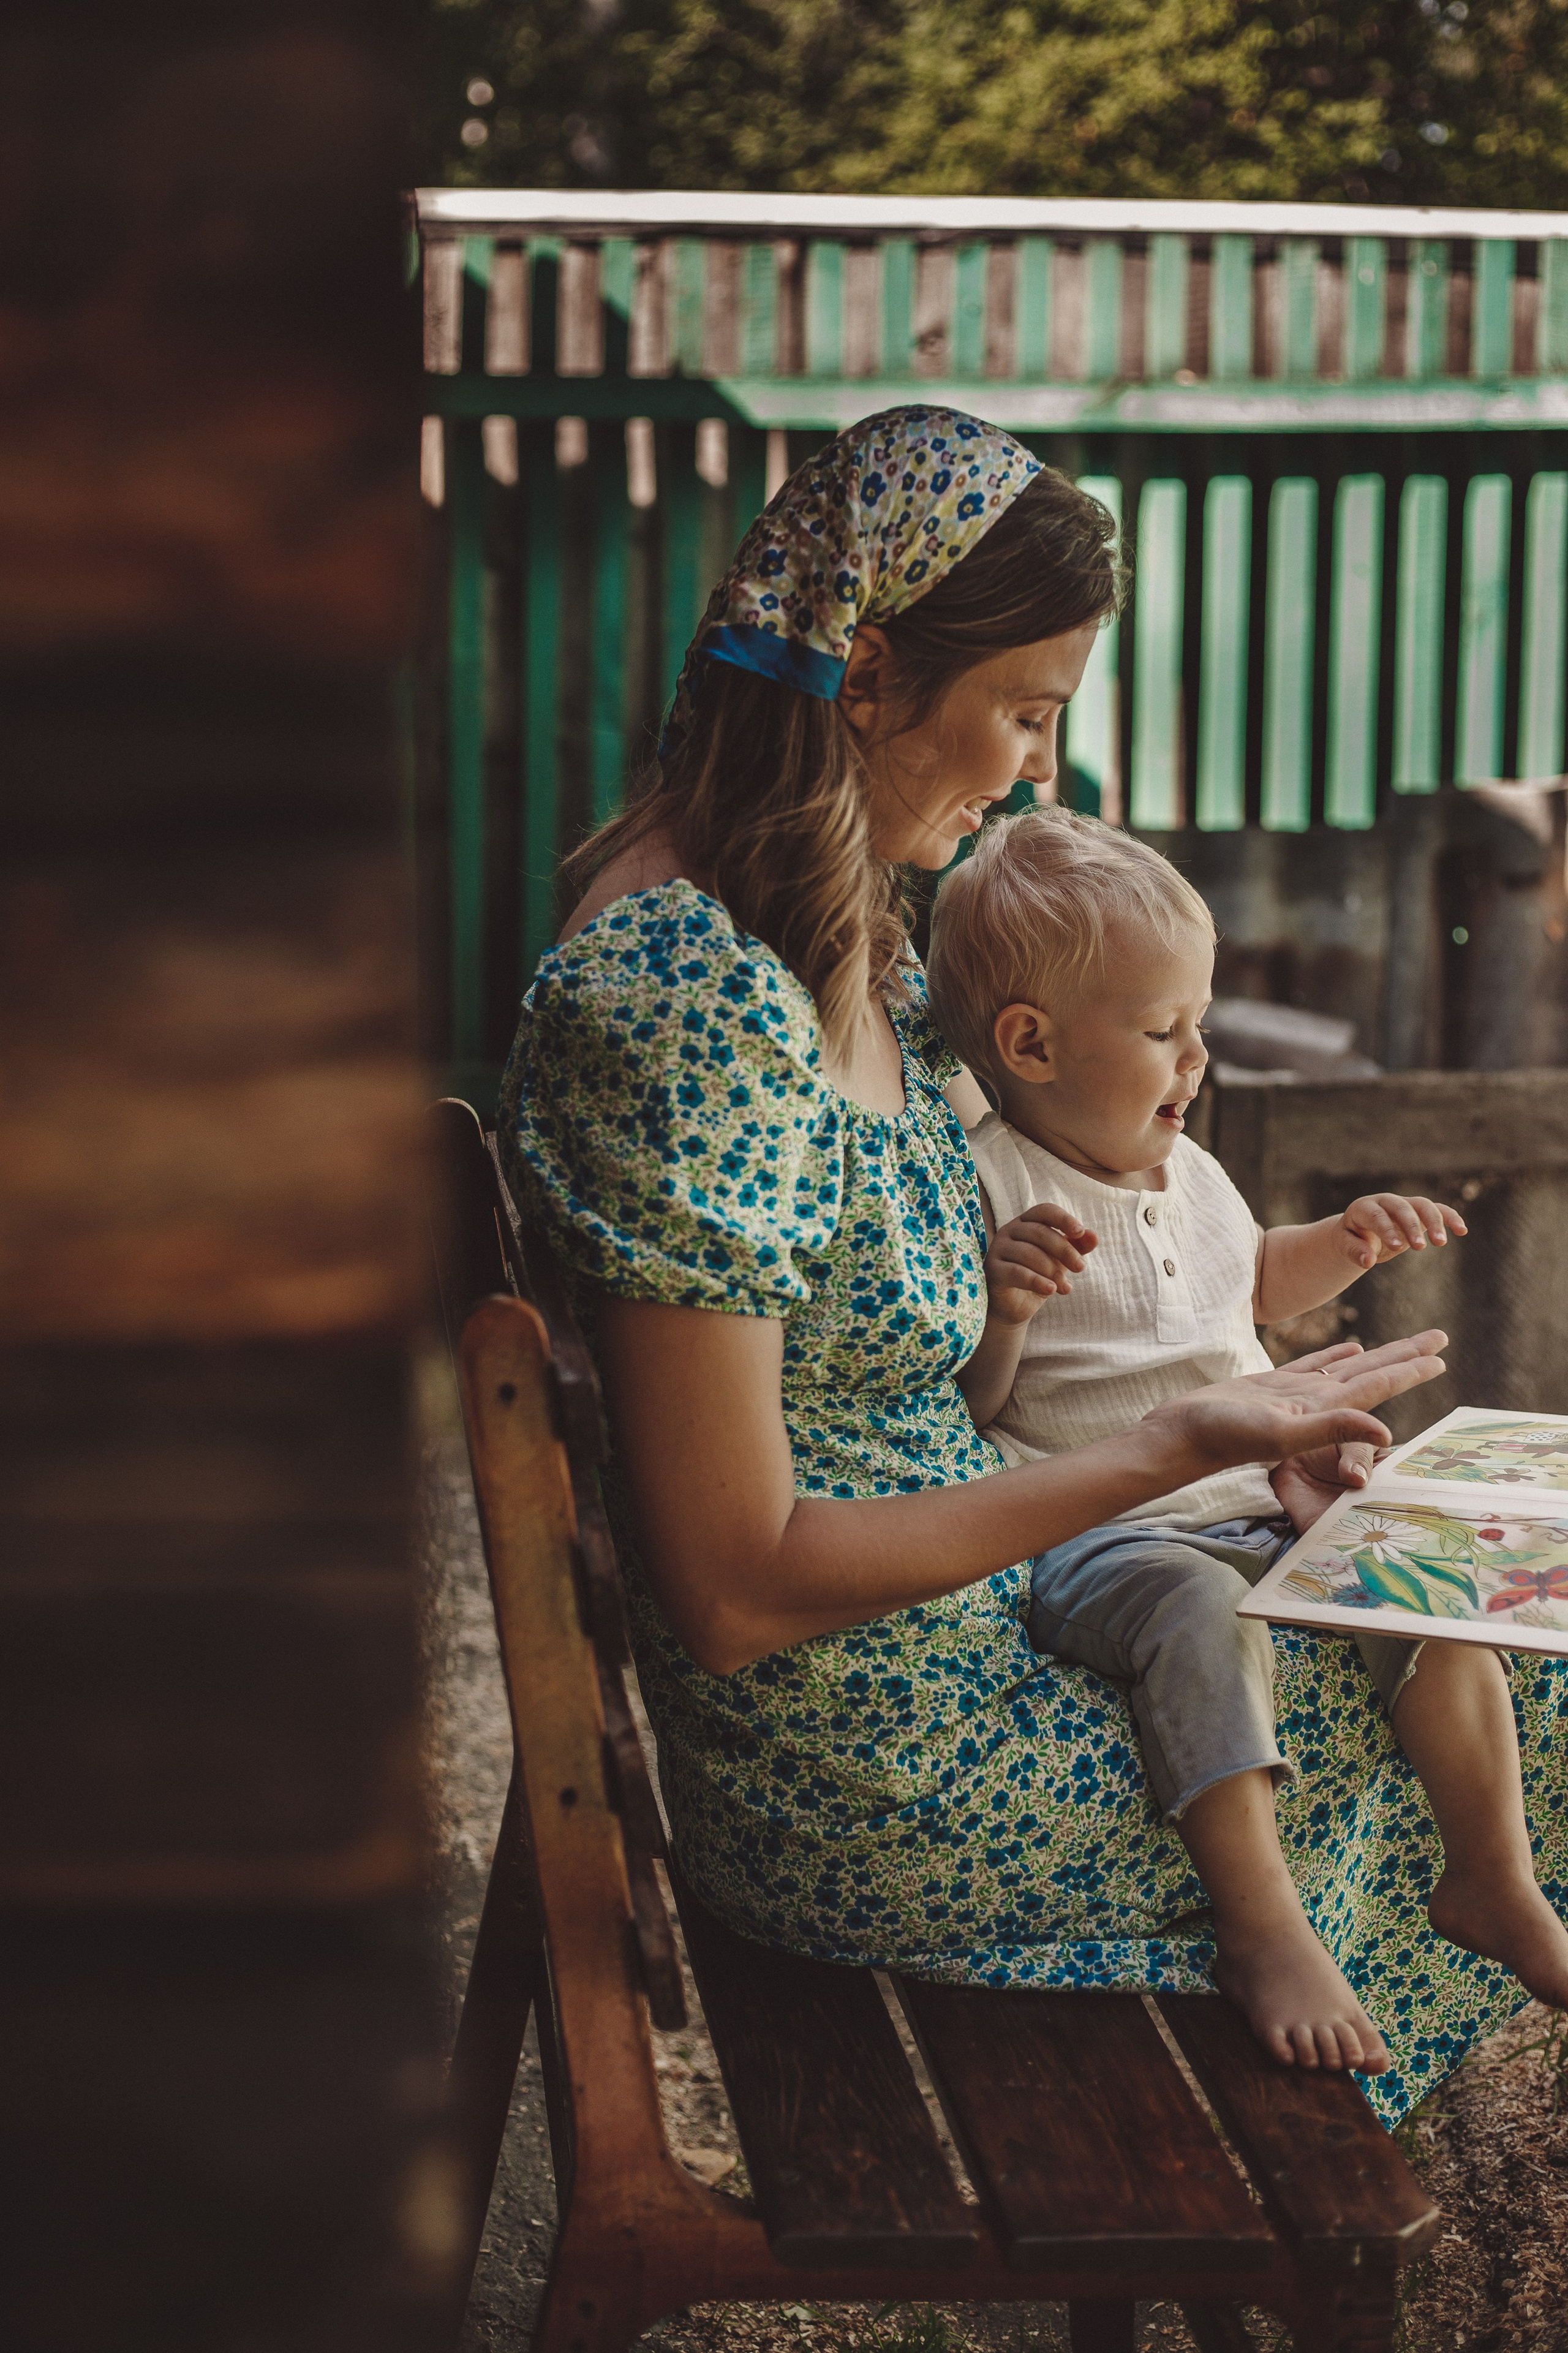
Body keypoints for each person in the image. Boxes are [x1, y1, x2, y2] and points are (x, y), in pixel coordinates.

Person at [498, 406, 1556, 2118]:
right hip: (890, 1776)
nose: (1038, 769)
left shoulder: (824, 933)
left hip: (981, 1646)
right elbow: (738, 1579)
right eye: (1024, 710)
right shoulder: (691, 994)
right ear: (869, 671)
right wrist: (1174, 1446)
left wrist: (1222, 1402)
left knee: (1466, 1620)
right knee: (1523, 1691)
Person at [926, 806, 1568, 2068]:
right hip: (1104, 1535)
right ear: (1029, 1042)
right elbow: (977, 1401)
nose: (1193, 1058)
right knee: (1196, 1618)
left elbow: (1245, 1282)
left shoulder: (1188, 1166)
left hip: (1256, 1503)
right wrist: (1000, 1307)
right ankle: (1260, 1922)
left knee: (1421, 1589)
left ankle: (1492, 1875)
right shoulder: (996, 1185)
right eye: (1162, 1031)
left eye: (1197, 1025)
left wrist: (1339, 1243)